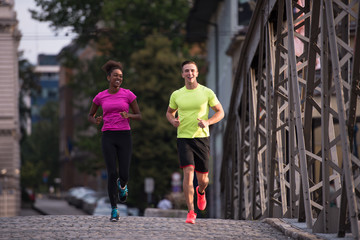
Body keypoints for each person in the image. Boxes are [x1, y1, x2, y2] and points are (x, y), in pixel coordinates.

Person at [166, 60, 224, 224]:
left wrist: (208, 122)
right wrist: (173, 121)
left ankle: (201, 191)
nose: (189, 73)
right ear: (182, 74)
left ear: (197, 73)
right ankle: (191, 212)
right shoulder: (177, 94)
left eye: (192, 70)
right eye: (186, 71)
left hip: (201, 138)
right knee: (188, 172)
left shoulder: (206, 92)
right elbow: (169, 113)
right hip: (183, 138)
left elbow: (220, 112)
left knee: (203, 179)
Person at [88, 60, 142, 222]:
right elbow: (90, 115)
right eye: (115, 76)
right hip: (108, 136)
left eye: (121, 76)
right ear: (108, 78)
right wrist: (95, 121)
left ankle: (123, 187)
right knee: (112, 173)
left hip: (124, 136)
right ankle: (114, 209)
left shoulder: (128, 94)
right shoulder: (100, 96)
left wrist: (129, 116)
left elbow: (139, 115)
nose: (119, 78)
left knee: (124, 174)